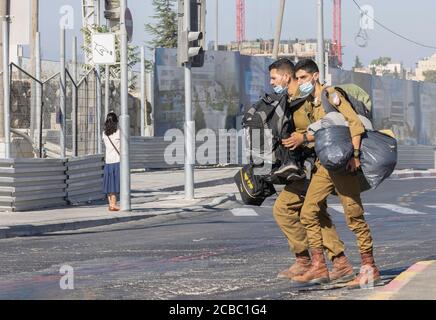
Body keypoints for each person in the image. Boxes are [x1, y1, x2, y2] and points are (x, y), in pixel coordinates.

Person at [286, 59, 380, 287]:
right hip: (324, 165)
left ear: (315, 76)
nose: (300, 83)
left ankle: (369, 267)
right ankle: (319, 265)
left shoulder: (331, 95)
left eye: (304, 78)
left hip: (343, 163)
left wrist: (355, 155)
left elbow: (354, 123)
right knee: (308, 211)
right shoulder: (310, 103)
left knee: (354, 215)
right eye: (297, 79)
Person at [269, 59, 355, 282]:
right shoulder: (287, 100)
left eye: (274, 78)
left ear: (288, 77)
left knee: (288, 209)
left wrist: (303, 138)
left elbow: (323, 126)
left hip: (312, 164)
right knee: (315, 213)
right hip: (303, 166)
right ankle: (337, 262)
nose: (271, 83)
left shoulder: (307, 99)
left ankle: (309, 261)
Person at [102, 112, 121, 212]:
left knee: (109, 184)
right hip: (117, 160)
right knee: (114, 184)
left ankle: (110, 204)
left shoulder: (104, 134)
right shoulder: (119, 133)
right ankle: (113, 204)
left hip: (108, 161)